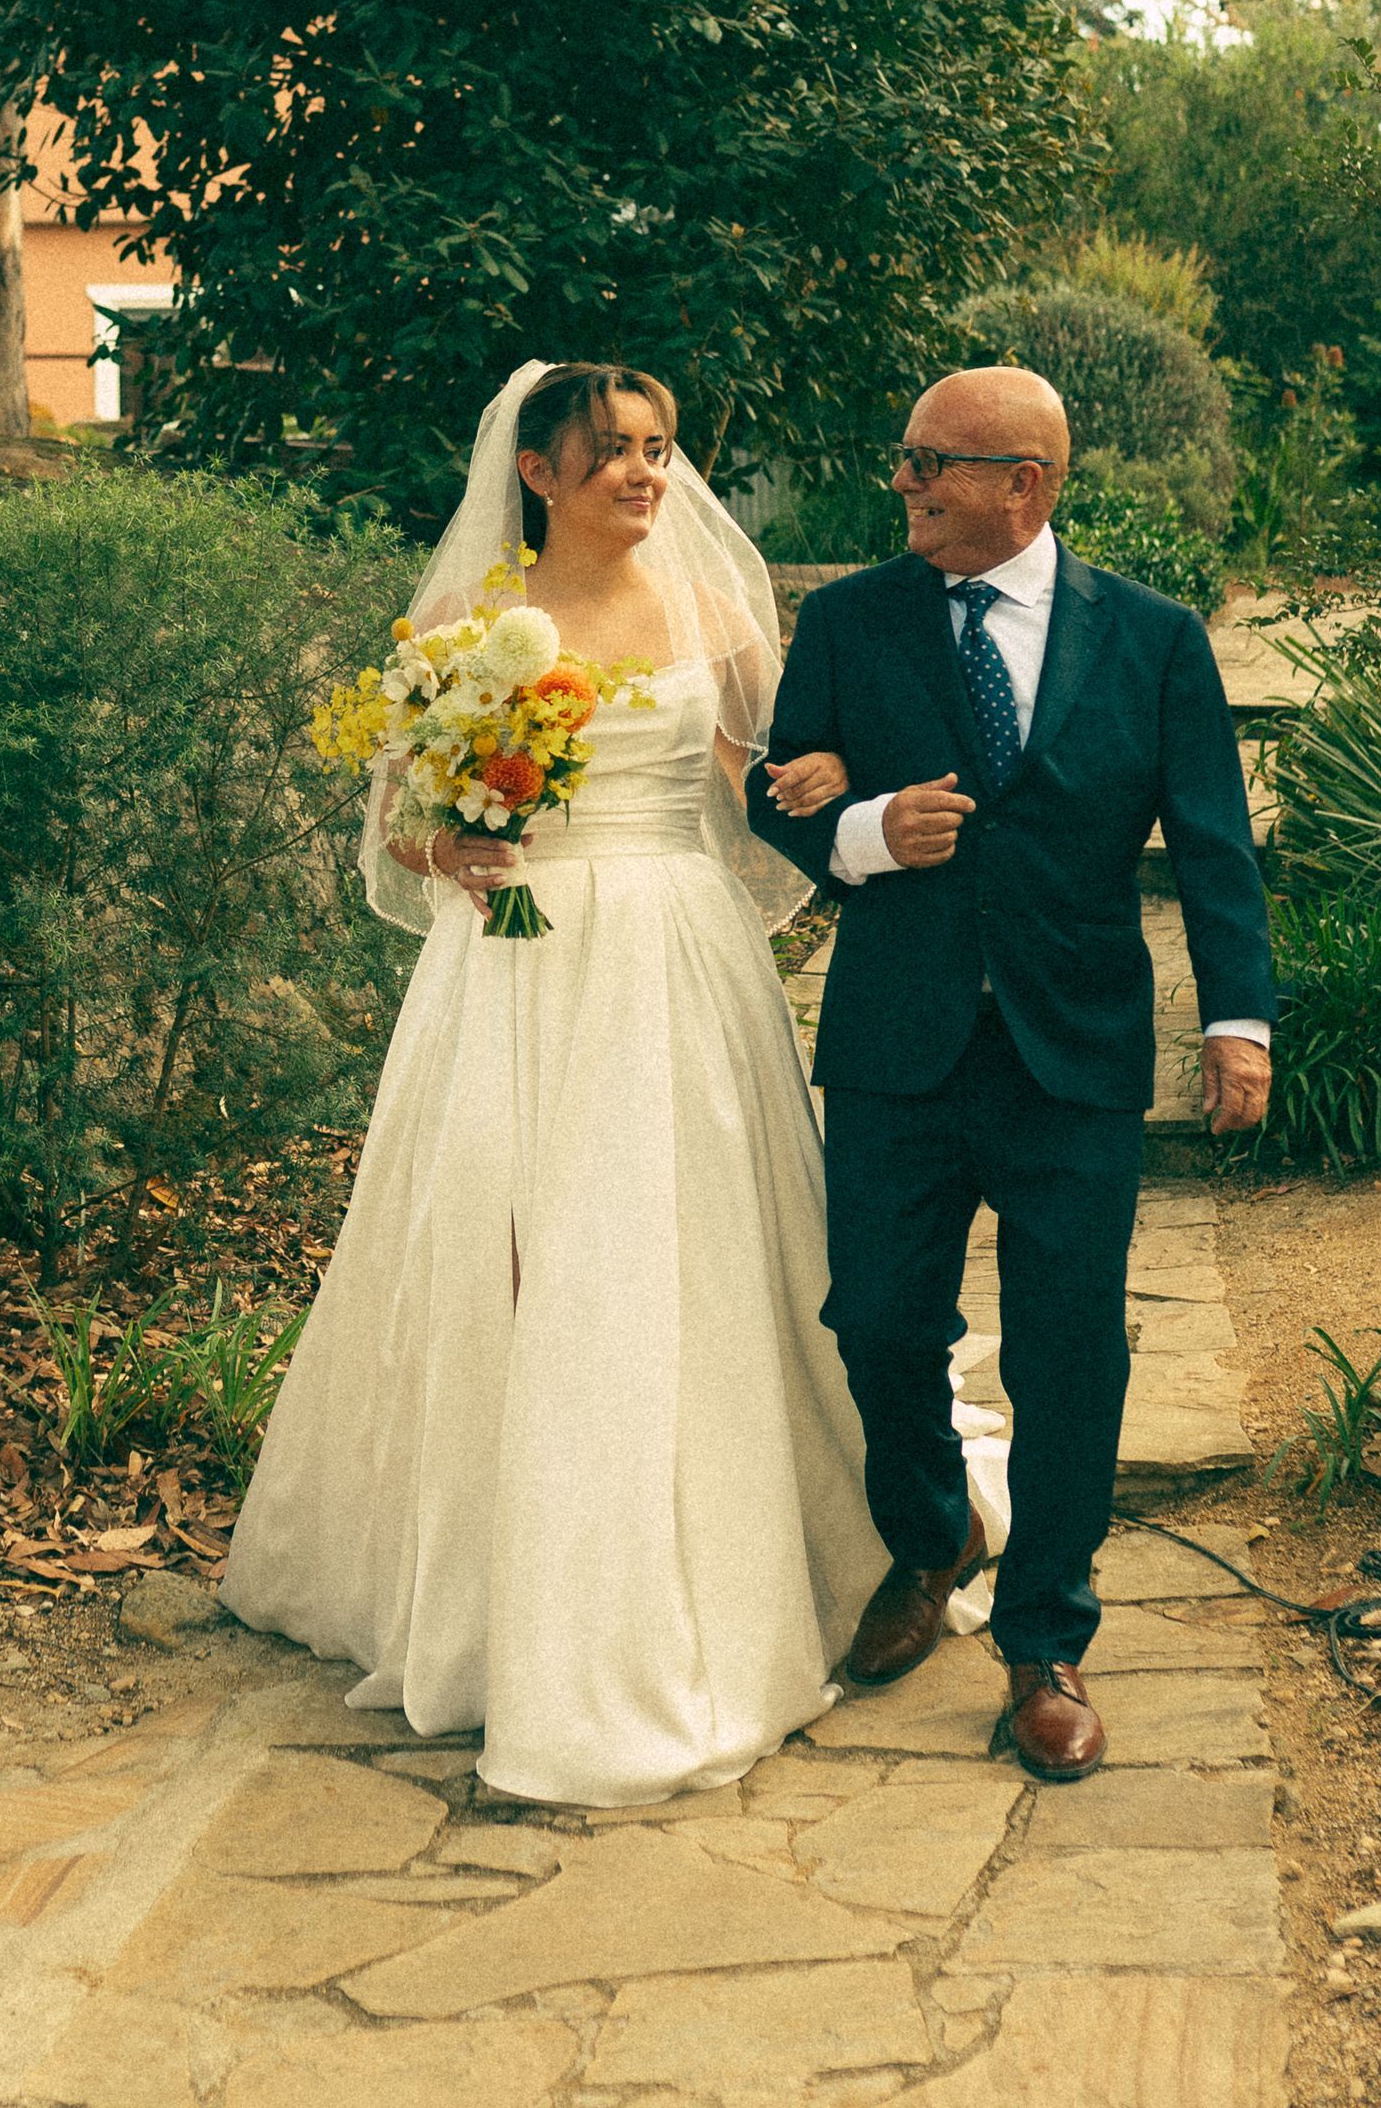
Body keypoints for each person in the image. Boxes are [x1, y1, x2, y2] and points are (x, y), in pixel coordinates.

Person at [222, 360, 891, 1808]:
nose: (647, 478)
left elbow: (762, 798)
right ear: (539, 473)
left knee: (676, 1259)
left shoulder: (716, 615)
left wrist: (836, 790)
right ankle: (490, 1596)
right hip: (518, 970)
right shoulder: (467, 626)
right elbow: (405, 829)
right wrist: (453, 847)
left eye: (660, 452)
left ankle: (689, 1572)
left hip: (670, 963)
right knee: (510, 1264)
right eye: (614, 458)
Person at [747, 364, 1273, 1784]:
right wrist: (863, 832)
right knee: (875, 1321)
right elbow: (777, 785)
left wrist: (1240, 1022)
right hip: (896, 1050)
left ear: (1023, 483)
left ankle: (1045, 1637)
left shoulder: (1154, 641)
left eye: (931, 463)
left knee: (1068, 1350)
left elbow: (1216, 846)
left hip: (1073, 1052)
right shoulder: (851, 619)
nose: (904, 484)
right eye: (905, 458)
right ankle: (934, 1538)